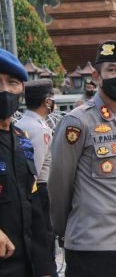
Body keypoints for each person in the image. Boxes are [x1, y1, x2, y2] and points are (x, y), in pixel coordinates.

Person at [48, 40, 116, 277]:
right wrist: (65, 230)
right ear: (97, 76)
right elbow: (59, 185)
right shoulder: (78, 122)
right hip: (91, 245)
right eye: (112, 70)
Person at [0, 49, 53, 276]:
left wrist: (47, 267)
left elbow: (34, 204)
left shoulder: (22, 140)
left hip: (27, 262)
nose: (4, 91)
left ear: (22, 89)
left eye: (12, 83)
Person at [15, 79, 58, 276]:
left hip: (23, 190)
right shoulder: (40, 129)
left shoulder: (20, 123)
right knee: (43, 239)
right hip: (37, 190)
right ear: (47, 101)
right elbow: (37, 168)